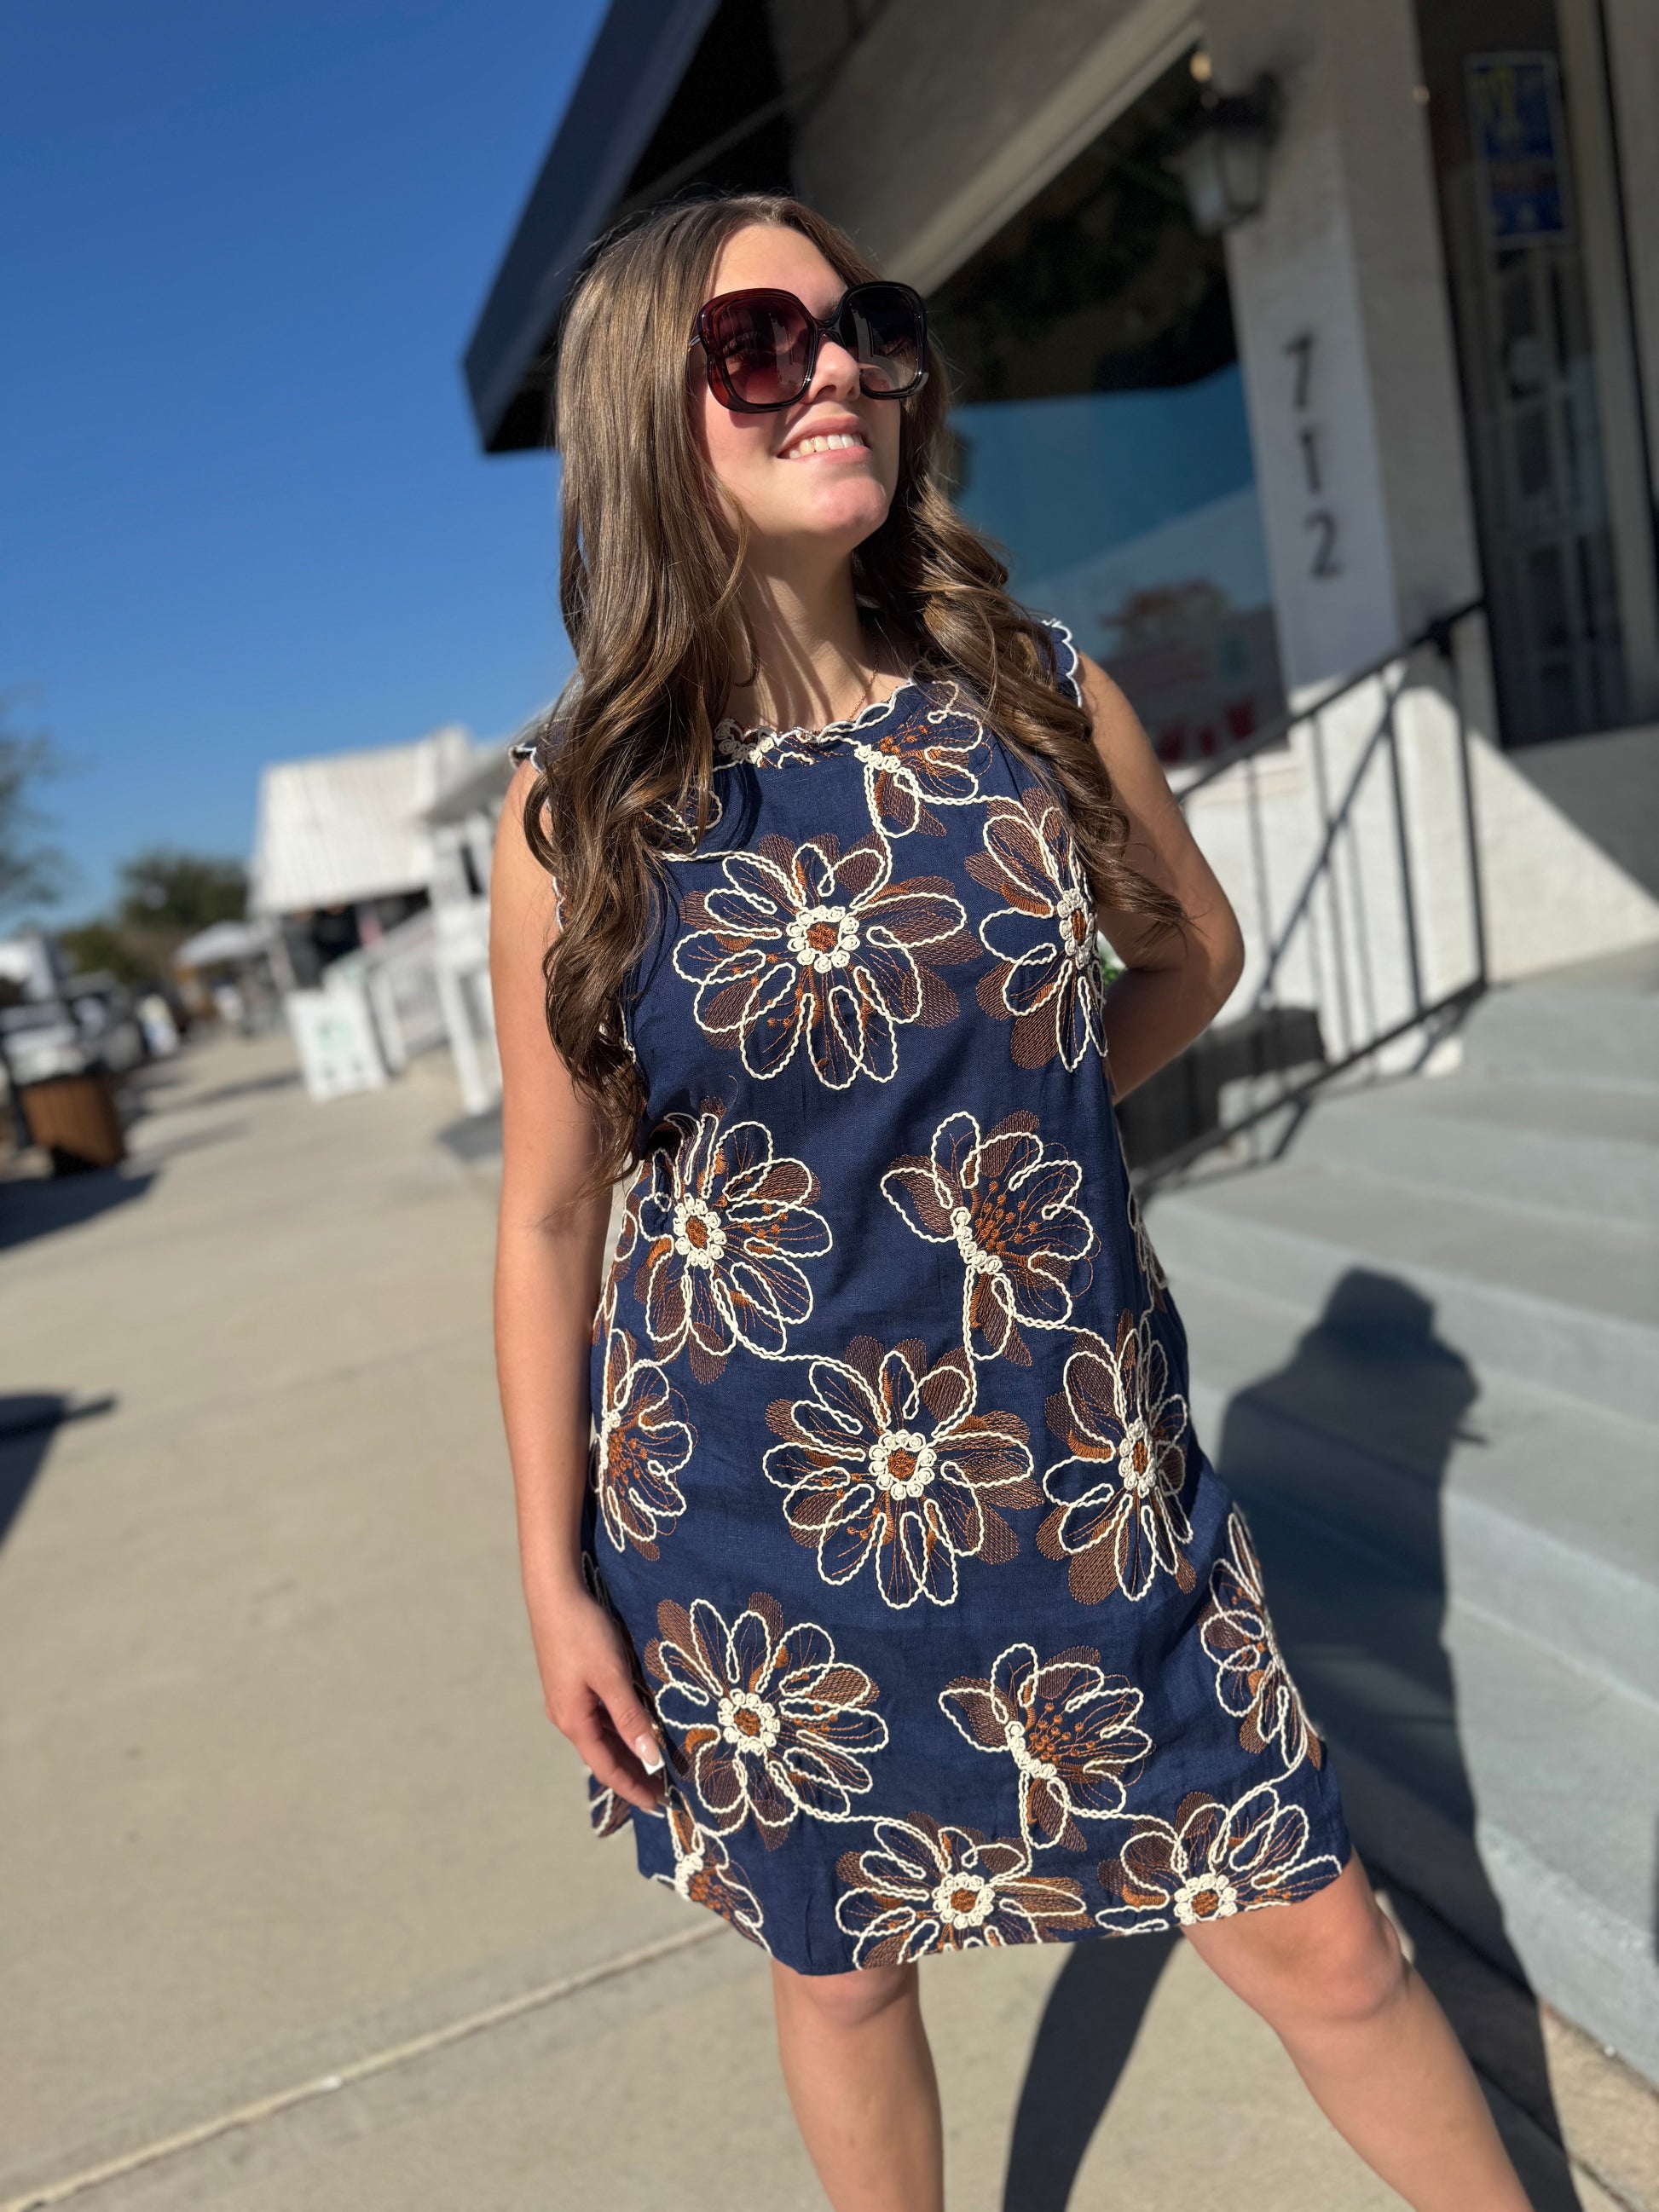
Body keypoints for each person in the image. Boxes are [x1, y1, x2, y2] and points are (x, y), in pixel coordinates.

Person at [488, 192, 1531, 2212]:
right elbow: (549, 1218)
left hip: (1082, 1471)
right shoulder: (580, 812)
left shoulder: (1030, 696)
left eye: (860, 326)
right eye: (756, 344)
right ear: (640, 411)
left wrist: (1002, 1153)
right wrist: (553, 1578)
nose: (835, 371)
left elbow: (1193, 955)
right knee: (845, 1961)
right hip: (750, 1509)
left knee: (1323, 1939)